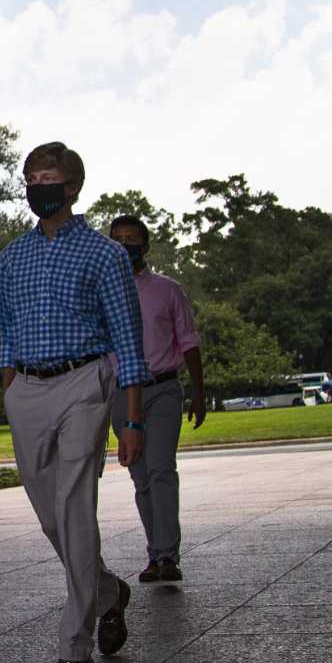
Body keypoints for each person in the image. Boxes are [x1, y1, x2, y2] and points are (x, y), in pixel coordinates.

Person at [0, 140, 147, 663]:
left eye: (48, 176)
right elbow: (7, 334)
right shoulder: (11, 256)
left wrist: (131, 420)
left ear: (73, 186)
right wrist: (12, 392)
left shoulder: (104, 255)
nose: (38, 184)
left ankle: (75, 649)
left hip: (85, 382)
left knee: (76, 508)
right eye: (31, 176)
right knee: (50, 518)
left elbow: (129, 343)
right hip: (28, 390)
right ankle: (107, 592)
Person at [108, 216, 207, 583]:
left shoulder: (168, 290)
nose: (125, 245)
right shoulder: (102, 294)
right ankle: (155, 552)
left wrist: (198, 391)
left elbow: (190, 342)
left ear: (145, 246)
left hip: (163, 389)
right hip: (121, 394)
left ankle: (167, 556)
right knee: (141, 477)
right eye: (117, 239)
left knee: (161, 469)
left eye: (132, 239)